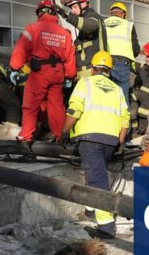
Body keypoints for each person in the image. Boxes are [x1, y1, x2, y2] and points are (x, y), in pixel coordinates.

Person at [59, 51, 129, 239]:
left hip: (90, 138)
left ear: (92, 68)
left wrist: (64, 132)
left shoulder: (85, 83)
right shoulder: (117, 89)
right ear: (109, 70)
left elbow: (74, 109)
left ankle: (106, 227)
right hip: (110, 140)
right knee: (96, 175)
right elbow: (125, 117)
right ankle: (91, 211)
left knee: (97, 181)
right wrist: (120, 140)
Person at [11, 0, 76, 145]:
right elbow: (70, 58)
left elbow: (20, 50)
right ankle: (60, 136)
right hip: (58, 74)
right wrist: (70, 76)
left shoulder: (32, 28)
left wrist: (16, 67)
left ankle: (26, 136)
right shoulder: (65, 33)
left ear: (40, 12)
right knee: (56, 106)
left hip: (39, 73)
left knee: (30, 104)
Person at [56, 0, 108, 80]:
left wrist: (67, 16)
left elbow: (90, 26)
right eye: (71, 8)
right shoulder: (84, 19)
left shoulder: (93, 15)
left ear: (84, 4)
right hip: (86, 74)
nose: (73, 10)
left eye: (75, 7)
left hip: (93, 73)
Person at [103, 2, 140, 104]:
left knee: (106, 97)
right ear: (124, 14)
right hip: (122, 64)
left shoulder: (103, 23)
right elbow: (136, 49)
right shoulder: (128, 25)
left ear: (111, 13)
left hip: (105, 63)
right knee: (122, 98)